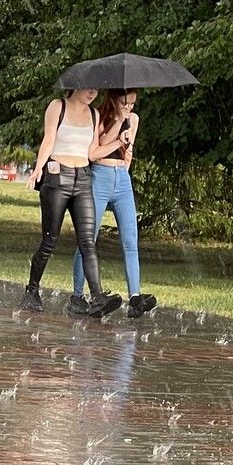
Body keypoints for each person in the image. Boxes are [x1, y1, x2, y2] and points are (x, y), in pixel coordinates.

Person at [21, 89, 122, 317]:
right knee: (50, 241)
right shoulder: (58, 106)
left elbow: (93, 152)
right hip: (57, 177)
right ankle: (32, 290)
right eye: (88, 88)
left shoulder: (94, 114)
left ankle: (97, 297)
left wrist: (118, 142)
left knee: (88, 241)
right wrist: (38, 169)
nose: (92, 93)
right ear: (76, 85)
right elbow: (48, 140)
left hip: (83, 179)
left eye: (96, 89)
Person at [69, 88, 157, 318]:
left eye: (133, 104)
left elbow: (128, 150)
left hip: (121, 179)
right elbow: (94, 152)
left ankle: (135, 297)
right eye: (125, 103)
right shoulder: (99, 116)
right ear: (114, 100)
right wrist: (119, 122)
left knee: (130, 239)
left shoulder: (133, 119)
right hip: (100, 176)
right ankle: (78, 295)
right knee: (89, 239)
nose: (129, 108)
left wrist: (125, 169)